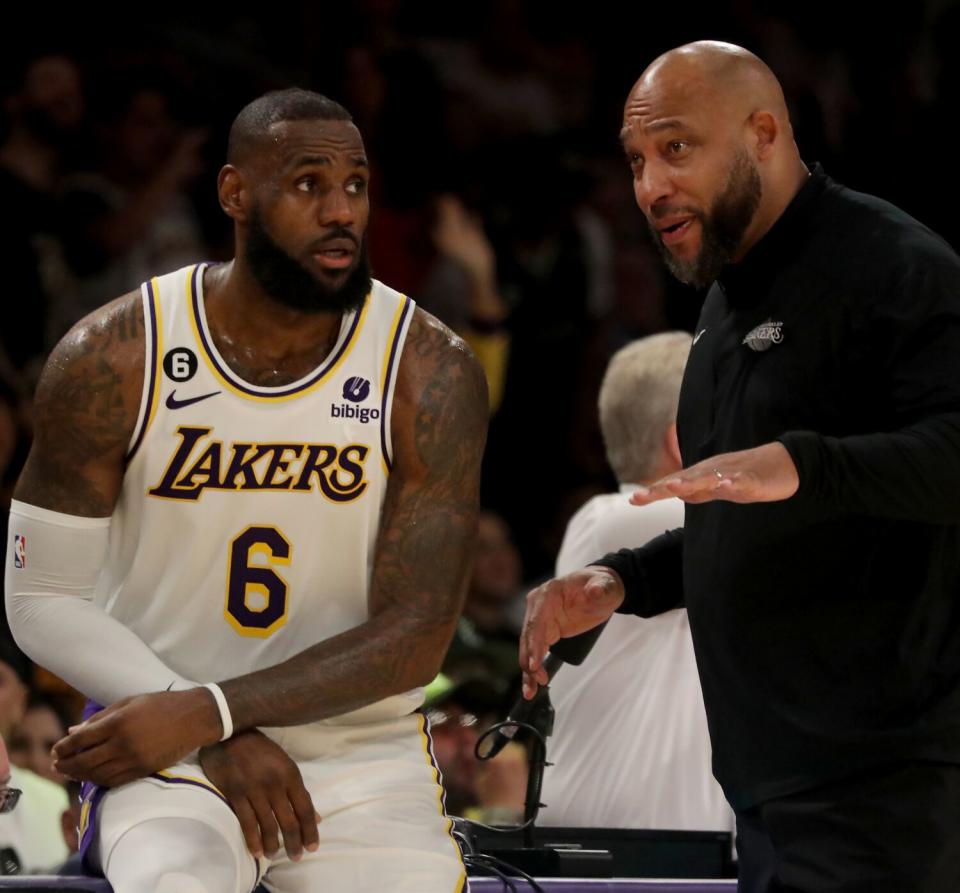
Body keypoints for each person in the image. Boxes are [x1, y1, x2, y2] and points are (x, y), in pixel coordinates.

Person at [4, 88, 487, 893]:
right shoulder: (112, 355)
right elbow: (41, 597)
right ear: (235, 193)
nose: (342, 212)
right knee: (172, 884)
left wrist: (216, 709)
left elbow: (416, 632)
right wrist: (202, 726)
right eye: (308, 184)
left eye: (357, 186)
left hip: (354, 756)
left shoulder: (427, 370)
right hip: (166, 746)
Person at [520, 40, 960, 893]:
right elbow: (750, 515)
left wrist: (803, 463)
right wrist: (625, 580)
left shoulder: (897, 269)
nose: (650, 187)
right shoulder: (724, 301)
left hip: (883, 789)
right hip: (765, 798)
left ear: (763, 133)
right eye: (638, 160)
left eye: (676, 149)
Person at [540, 332, 733, 835]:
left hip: (632, 838)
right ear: (682, 439)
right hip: (641, 845)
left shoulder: (602, 521)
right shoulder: (629, 520)